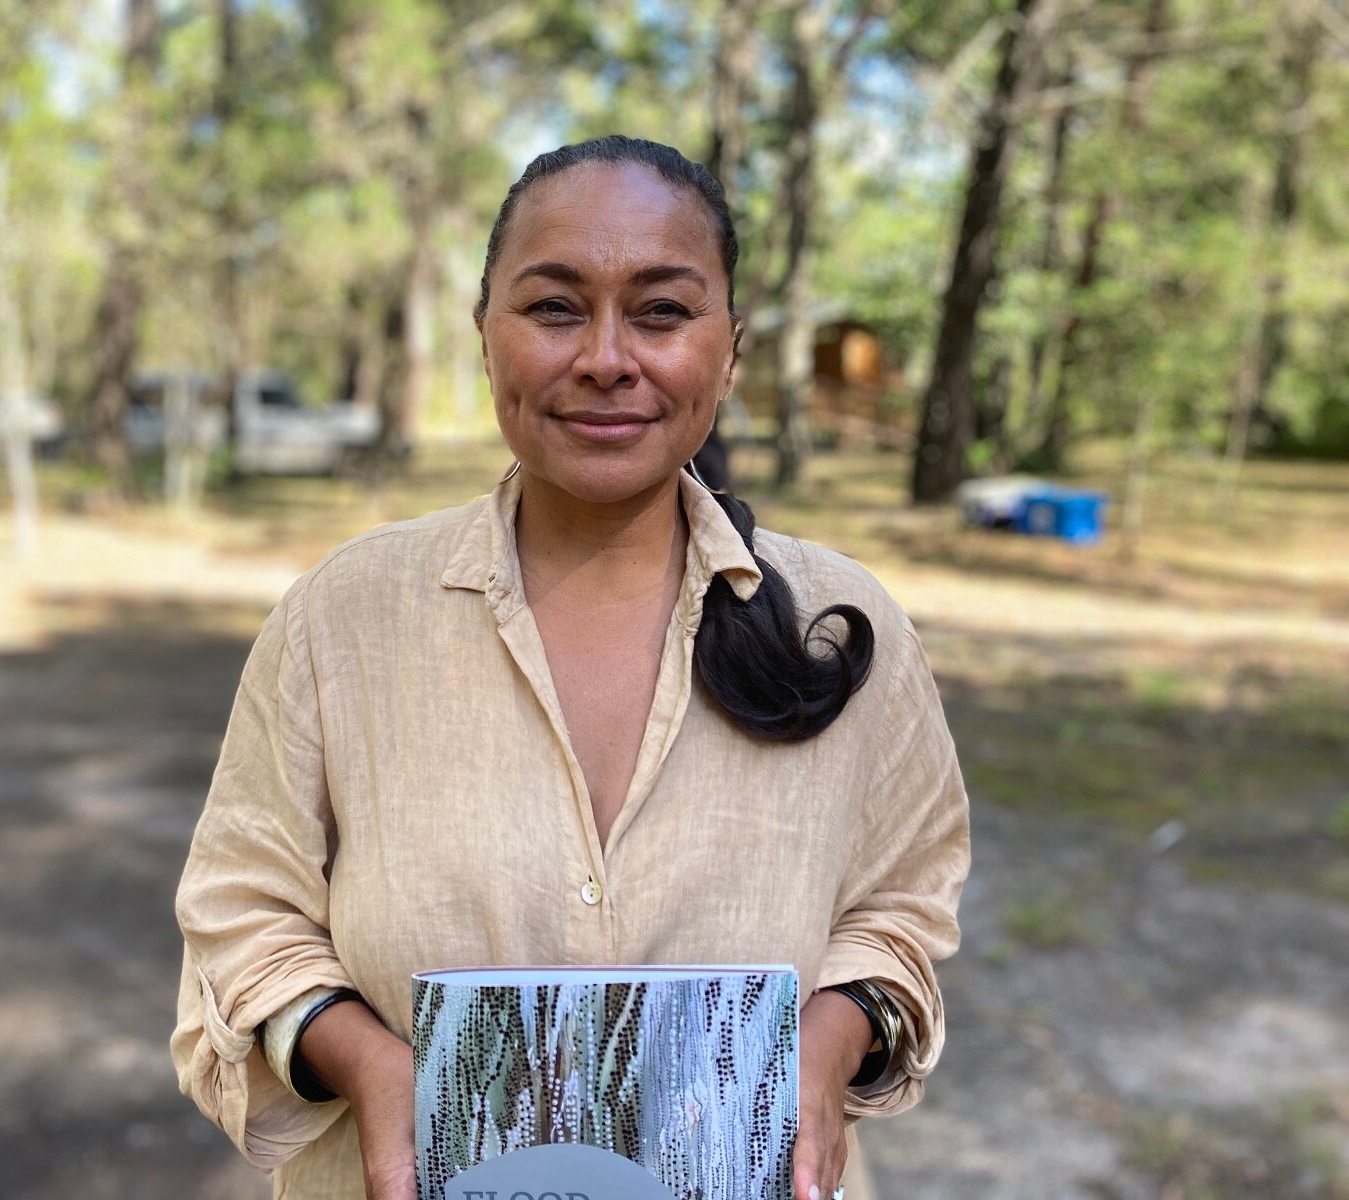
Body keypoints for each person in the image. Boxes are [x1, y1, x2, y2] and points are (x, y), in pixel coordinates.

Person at [171, 134, 970, 1200]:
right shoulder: (344, 620)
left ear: (728, 350)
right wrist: (368, 1063)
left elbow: (903, 907)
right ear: (485, 336)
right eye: (553, 308)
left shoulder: (843, 620)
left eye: (661, 311)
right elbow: (242, 914)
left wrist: (829, 1038)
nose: (605, 356)